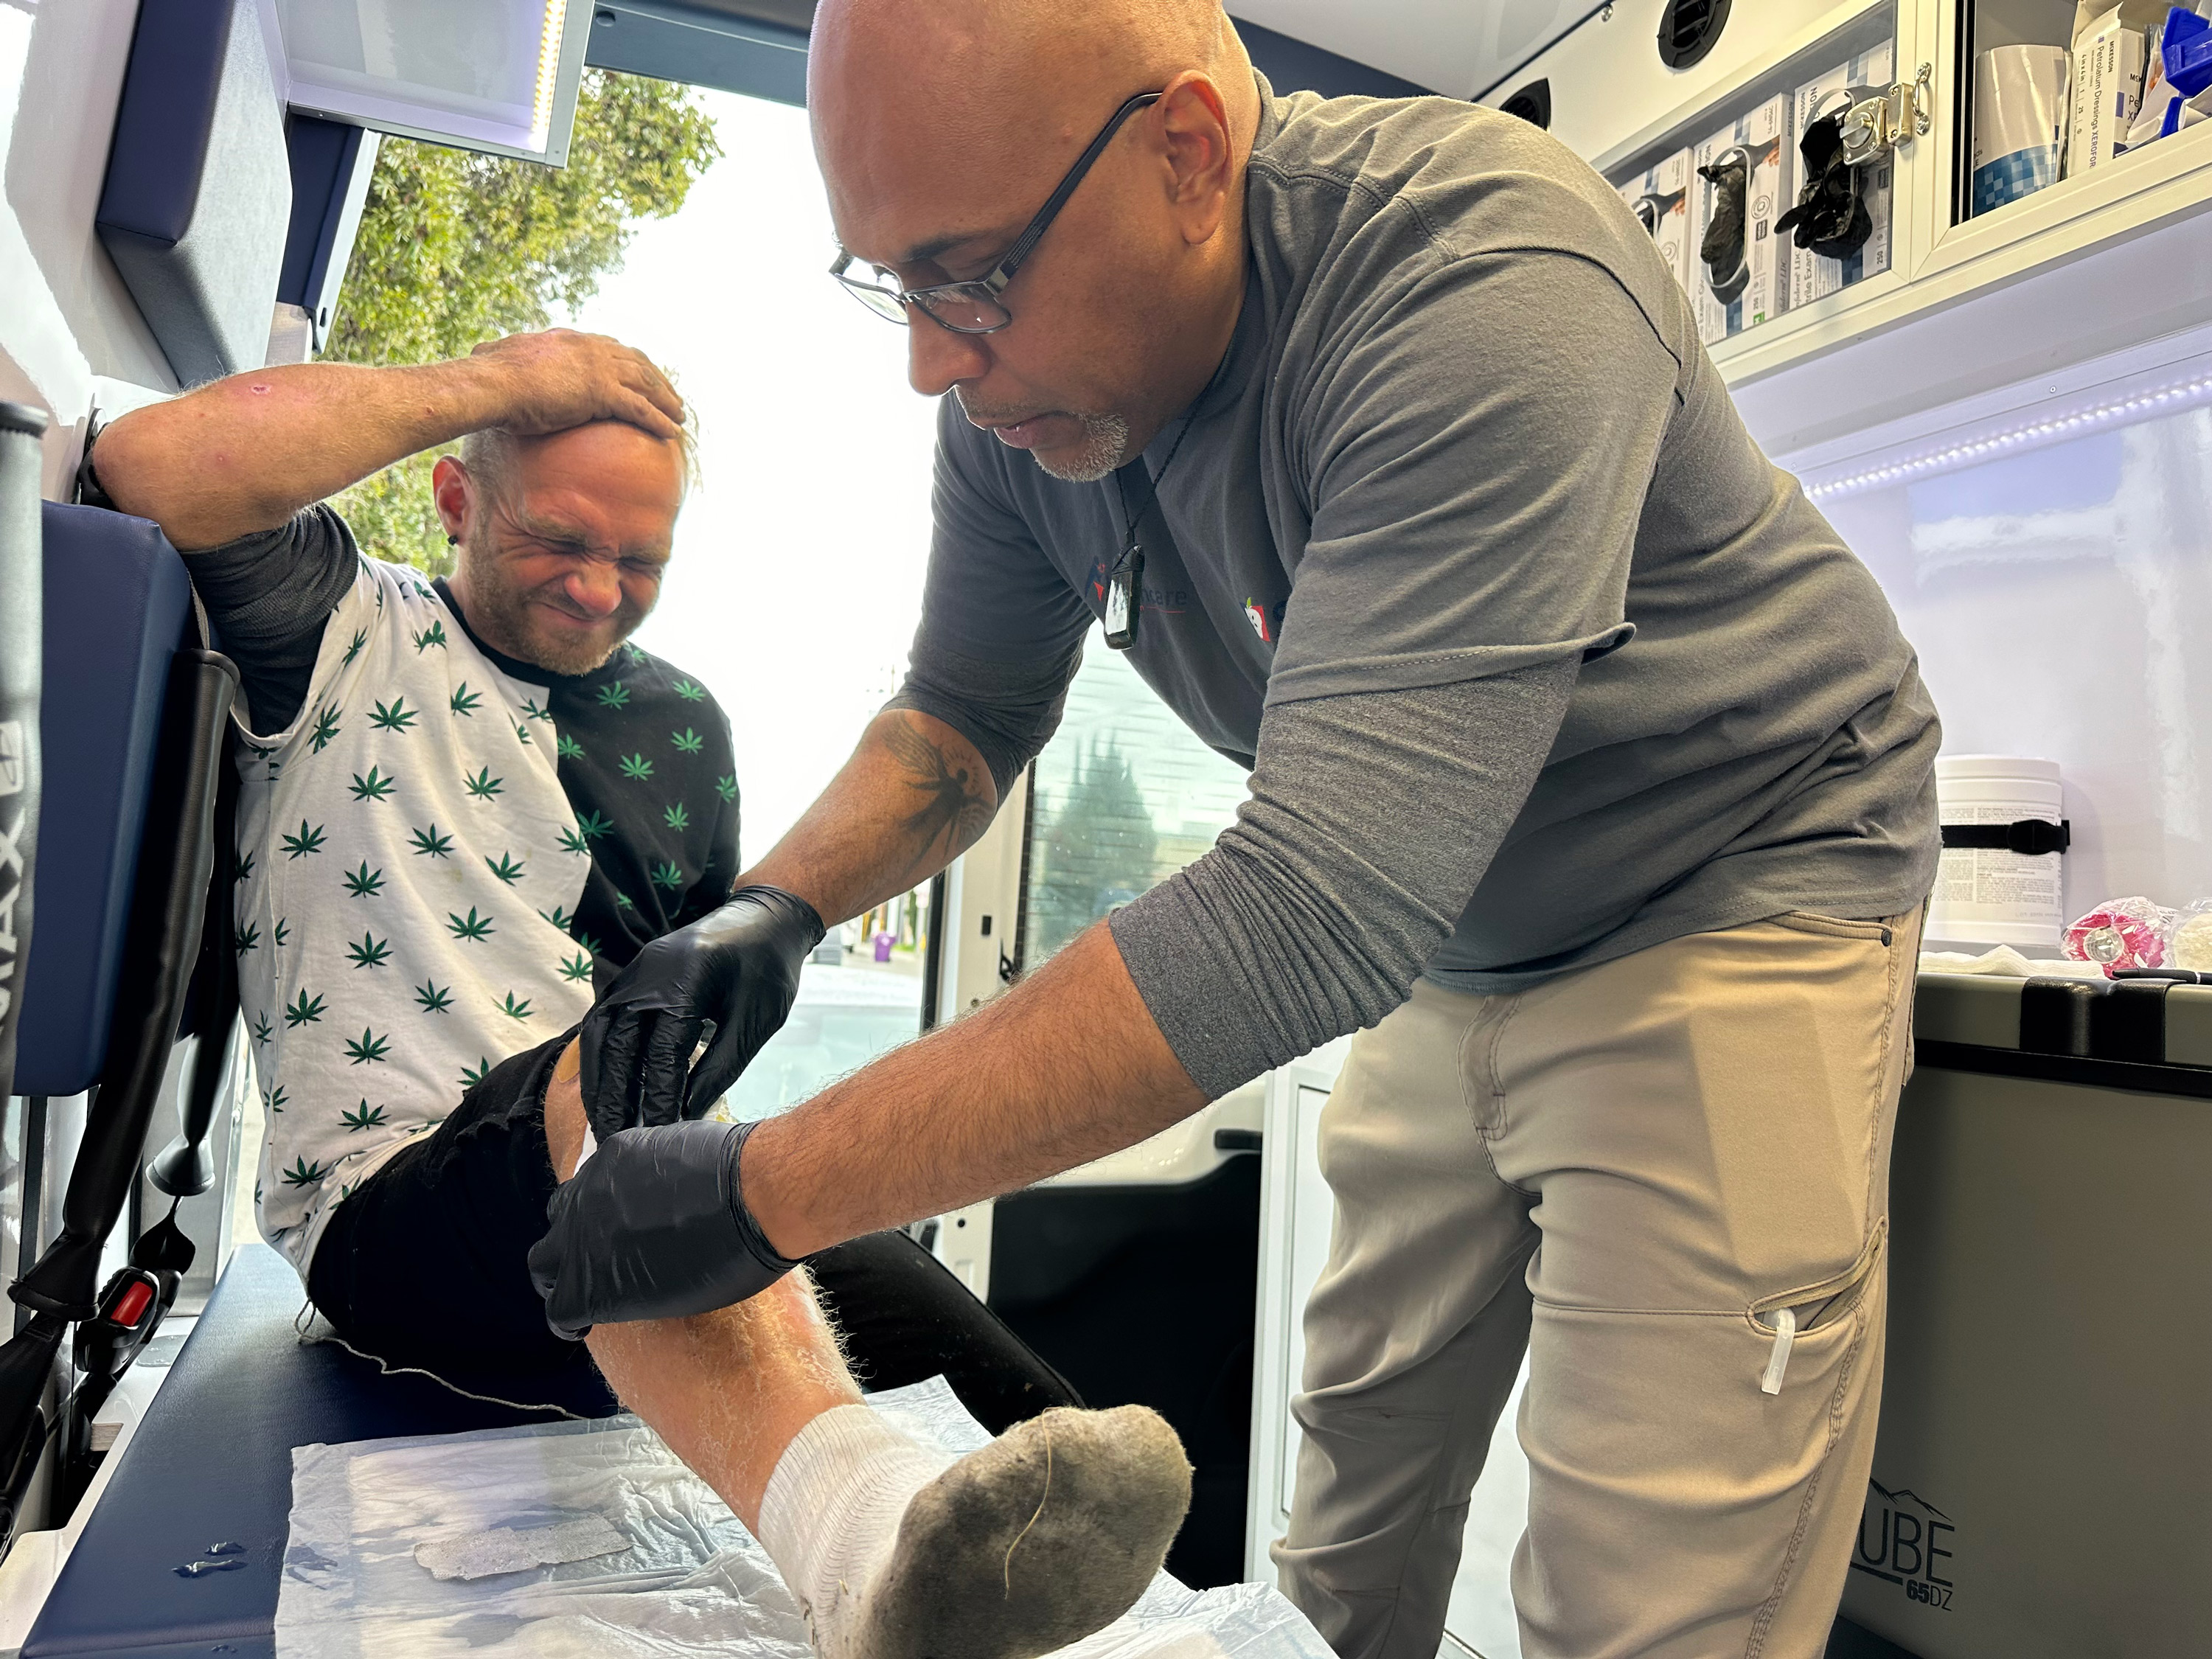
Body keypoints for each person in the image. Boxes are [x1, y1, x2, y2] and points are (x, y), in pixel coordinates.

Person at [532, 1, 1946, 1656]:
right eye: (894, 284)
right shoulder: (1016, 411)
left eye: (970, 273)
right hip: (1460, 931)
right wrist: (759, 918)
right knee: (1351, 1513)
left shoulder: (1489, 281)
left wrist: (762, 1186)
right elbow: (961, 720)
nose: (932, 355)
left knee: (1646, 1602)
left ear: (1187, 155)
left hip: (1729, 888)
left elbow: (1306, 912)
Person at [86, 332, 1192, 1659]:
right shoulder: (336, 632)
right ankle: (863, 1550)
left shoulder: (683, 728)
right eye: (559, 539)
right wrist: (497, 383)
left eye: (642, 562)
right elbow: (150, 463)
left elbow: (673, 1033)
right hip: (392, 1206)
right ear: (456, 497)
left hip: (598, 1147)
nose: (600, 589)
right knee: (618, 1098)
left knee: (1024, 1429)